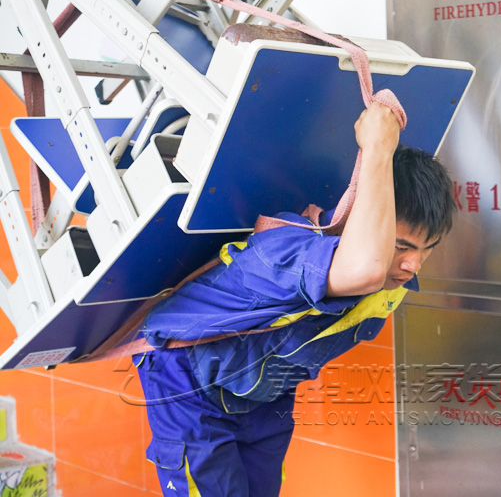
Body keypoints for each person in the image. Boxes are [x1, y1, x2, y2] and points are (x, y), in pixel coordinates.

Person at [135, 101, 456, 496]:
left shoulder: (392, 279)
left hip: (263, 390)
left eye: (426, 250)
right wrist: (377, 146)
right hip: (188, 382)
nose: (412, 266)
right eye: (401, 246)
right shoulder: (287, 252)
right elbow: (362, 267)